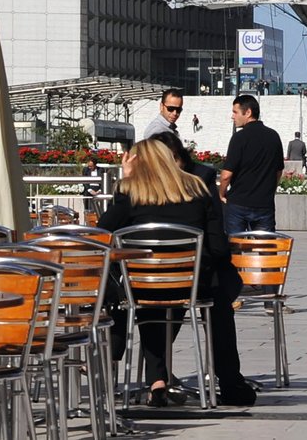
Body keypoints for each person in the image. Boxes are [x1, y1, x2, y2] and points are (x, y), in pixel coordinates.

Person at [96, 137, 258, 409]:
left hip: (144, 286)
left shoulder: (129, 193)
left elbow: (101, 234)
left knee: (149, 296)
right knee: (217, 298)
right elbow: (219, 248)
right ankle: (230, 380)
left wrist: (125, 179)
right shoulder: (197, 189)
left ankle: (157, 381)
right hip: (191, 285)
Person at [218, 94, 284, 234]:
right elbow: (278, 171)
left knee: (235, 248)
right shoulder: (274, 136)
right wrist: (269, 191)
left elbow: (226, 175)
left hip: (238, 204)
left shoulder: (239, 138)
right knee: (265, 250)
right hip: (264, 204)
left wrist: (221, 194)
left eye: (235, 112)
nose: (232, 117)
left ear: (248, 113)